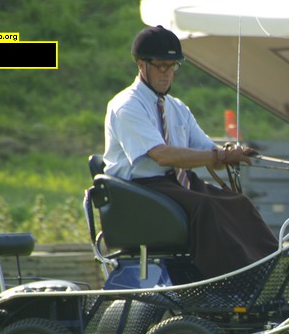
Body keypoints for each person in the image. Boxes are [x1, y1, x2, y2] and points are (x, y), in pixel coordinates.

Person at [103, 25, 278, 279]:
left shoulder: (177, 108)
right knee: (206, 207)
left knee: (239, 204)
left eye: (172, 67)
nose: (167, 74)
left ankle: (272, 268)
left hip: (176, 183)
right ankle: (232, 280)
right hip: (140, 189)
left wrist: (229, 154)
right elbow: (162, 155)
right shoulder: (127, 105)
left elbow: (209, 153)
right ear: (142, 65)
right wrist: (216, 156)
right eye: (161, 66)